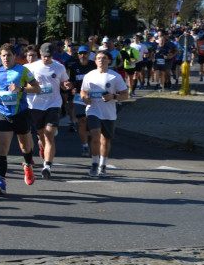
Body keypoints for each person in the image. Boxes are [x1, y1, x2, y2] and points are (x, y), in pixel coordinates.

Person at [0, 43, 41, 196]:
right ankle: (1, 182)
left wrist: (20, 89)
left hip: (21, 113)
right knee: (2, 147)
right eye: (3, 55)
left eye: (8, 55)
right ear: (0, 57)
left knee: (25, 147)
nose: (6, 58)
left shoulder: (23, 70)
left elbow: (37, 88)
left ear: (14, 56)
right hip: (3, 114)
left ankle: (28, 165)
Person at [80, 49, 130, 177]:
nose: (101, 60)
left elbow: (125, 95)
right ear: (95, 61)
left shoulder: (115, 76)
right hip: (93, 110)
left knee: (105, 140)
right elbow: (83, 92)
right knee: (95, 137)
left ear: (108, 61)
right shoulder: (89, 75)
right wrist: (85, 99)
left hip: (109, 113)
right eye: (98, 58)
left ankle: (103, 165)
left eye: (104, 58)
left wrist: (113, 97)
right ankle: (94, 163)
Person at [25, 42, 71, 179]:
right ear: (40, 53)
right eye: (44, 55)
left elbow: (64, 83)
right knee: (41, 136)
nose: (46, 58)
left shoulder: (59, 67)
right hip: (35, 106)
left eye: (49, 56)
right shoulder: (30, 67)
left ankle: (47, 166)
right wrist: (31, 85)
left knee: (49, 135)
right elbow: (22, 82)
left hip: (53, 104)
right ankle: (44, 151)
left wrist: (67, 85)